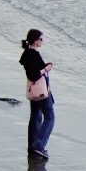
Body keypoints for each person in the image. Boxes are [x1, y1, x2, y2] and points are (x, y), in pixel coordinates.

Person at [19, 29, 55, 158]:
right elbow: (34, 74)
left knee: (35, 116)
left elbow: (33, 69)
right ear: (35, 41)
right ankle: (39, 146)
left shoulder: (27, 54)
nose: (42, 41)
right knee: (50, 118)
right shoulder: (33, 54)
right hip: (41, 92)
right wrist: (46, 68)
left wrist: (45, 66)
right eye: (41, 39)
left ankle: (32, 146)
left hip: (33, 91)